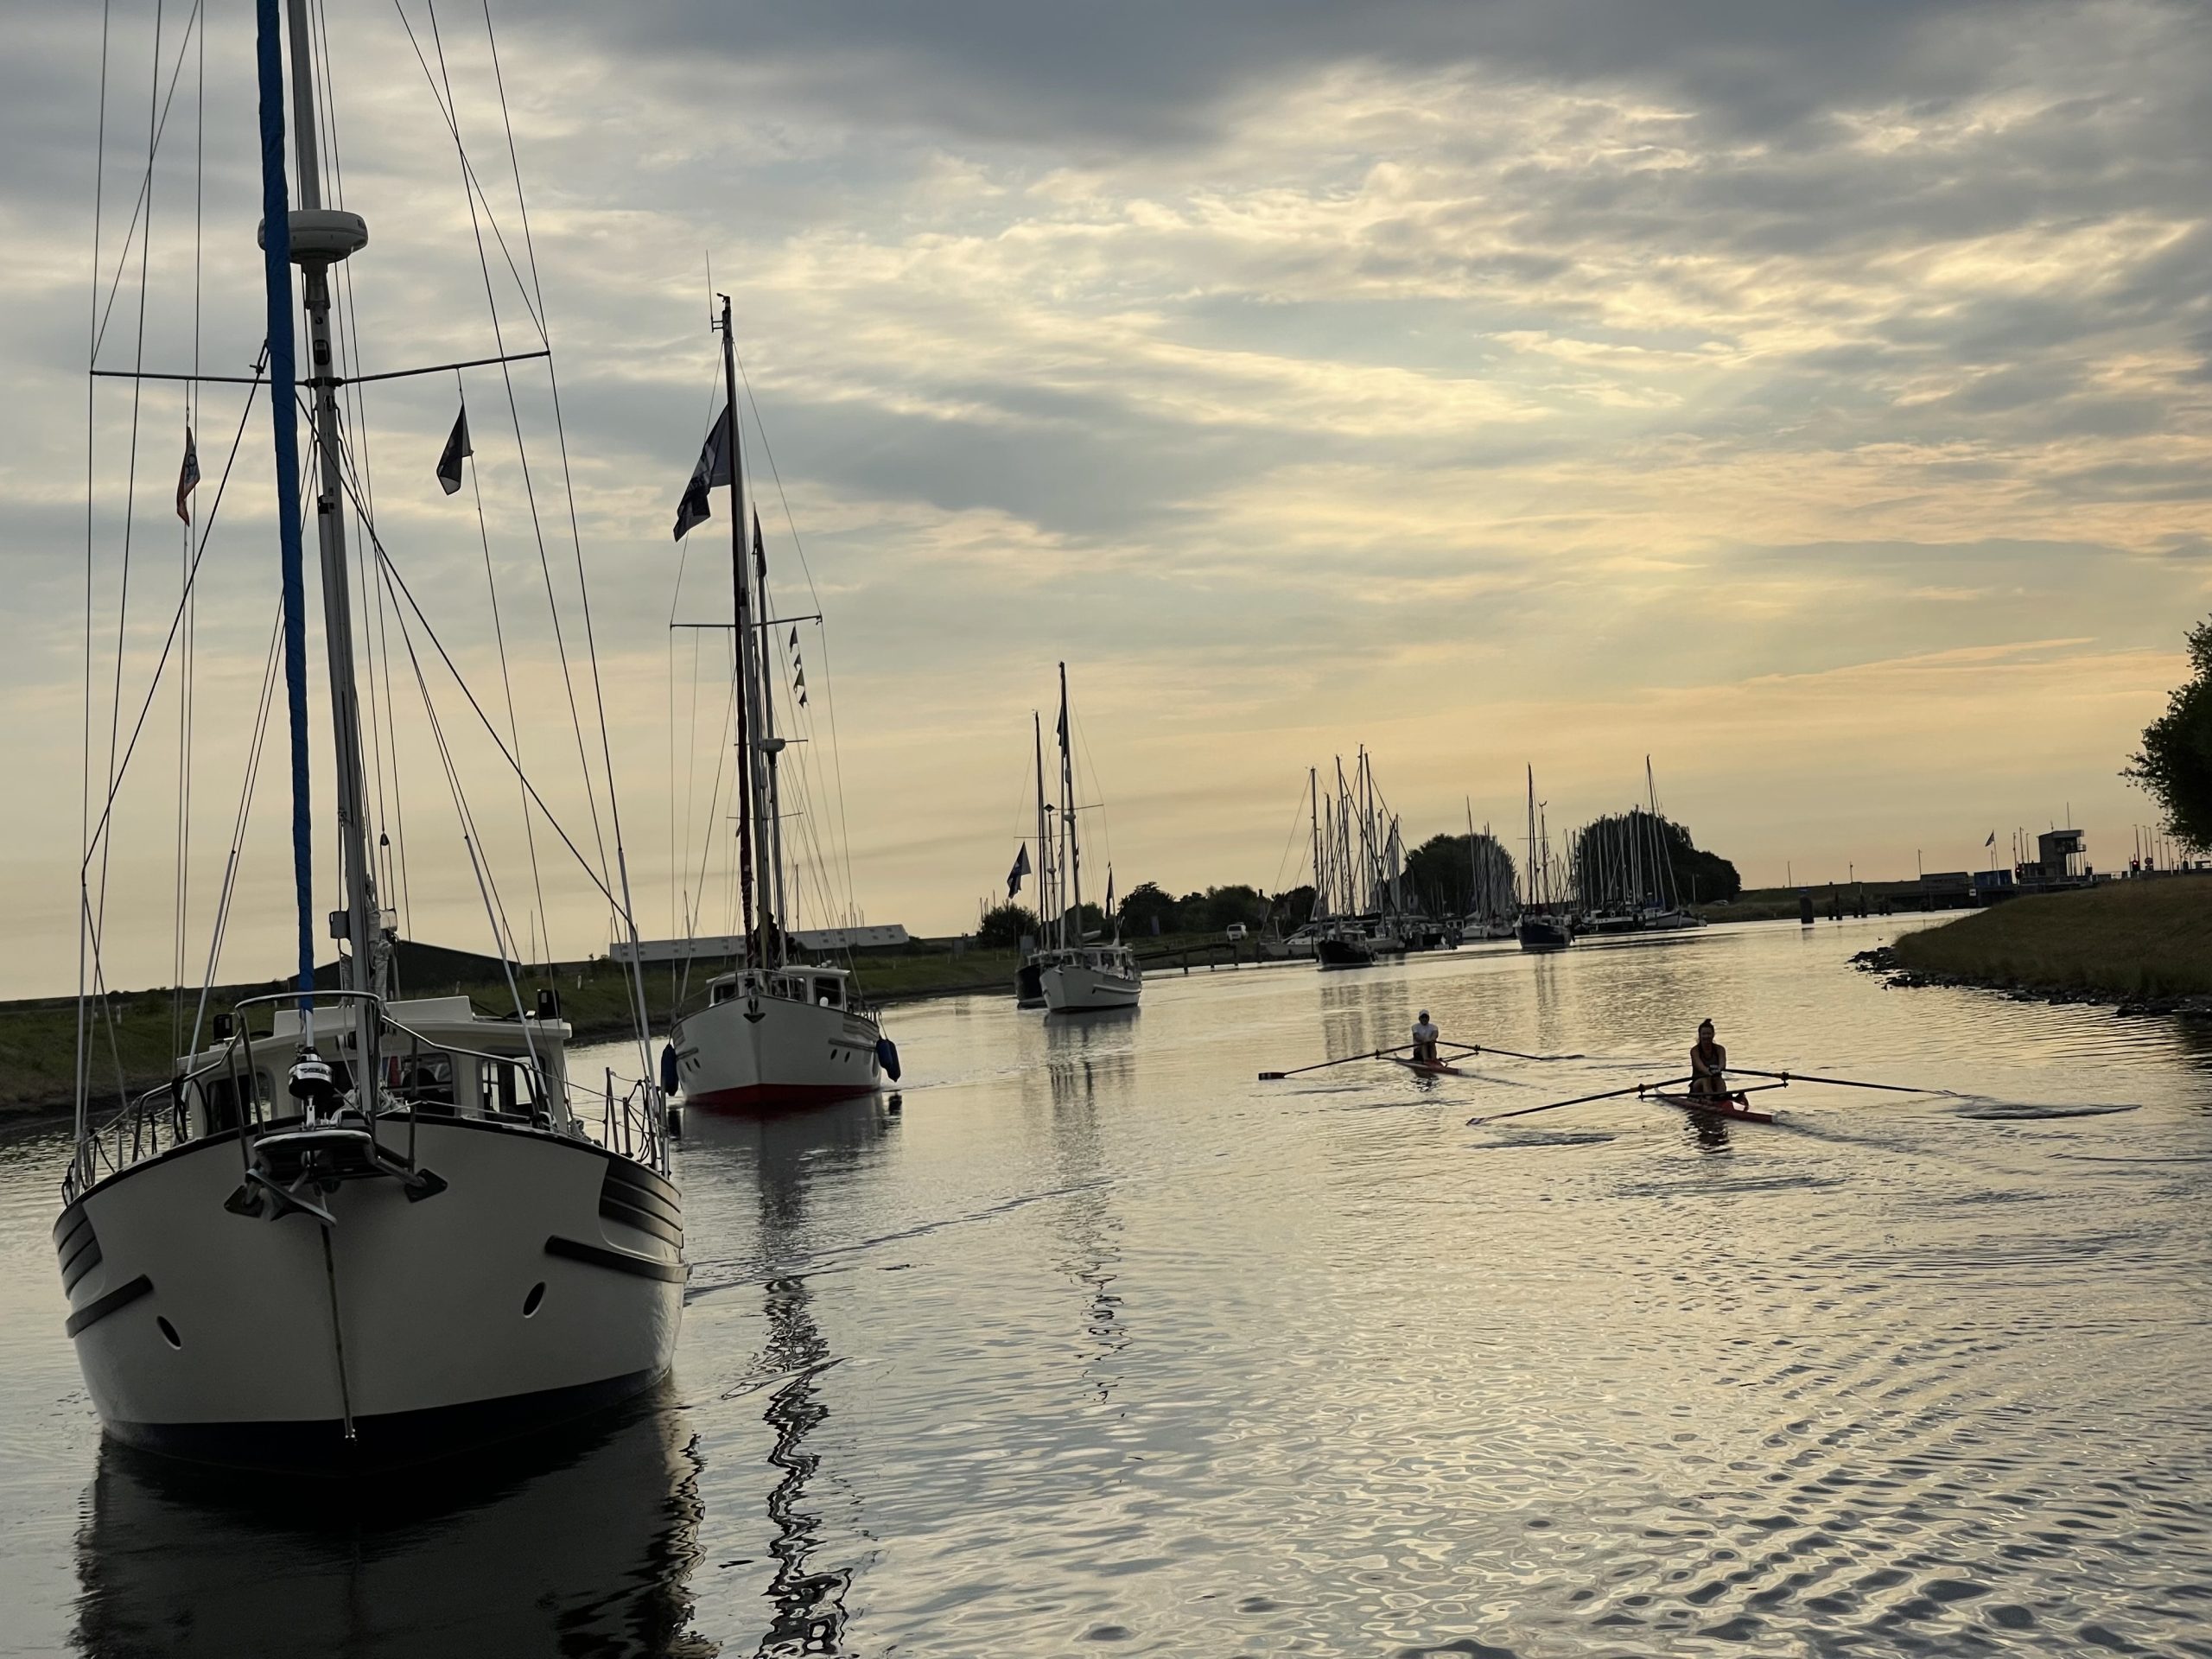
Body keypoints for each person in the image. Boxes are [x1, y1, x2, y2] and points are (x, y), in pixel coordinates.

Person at [1688, 1019, 1729, 1099]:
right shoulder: (1695, 1050)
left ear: (1713, 1035)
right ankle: (1710, 1099)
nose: (1706, 1036)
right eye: (1704, 1034)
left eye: (1709, 1034)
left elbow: (1722, 1065)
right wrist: (1708, 1072)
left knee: (1719, 1079)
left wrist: (1718, 1070)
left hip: (1715, 1079)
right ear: (1700, 1035)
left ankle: (1723, 1098)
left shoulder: (1720, 1049)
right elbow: (1700, 1067)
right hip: (1698, 1084)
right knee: (1706, 1079)